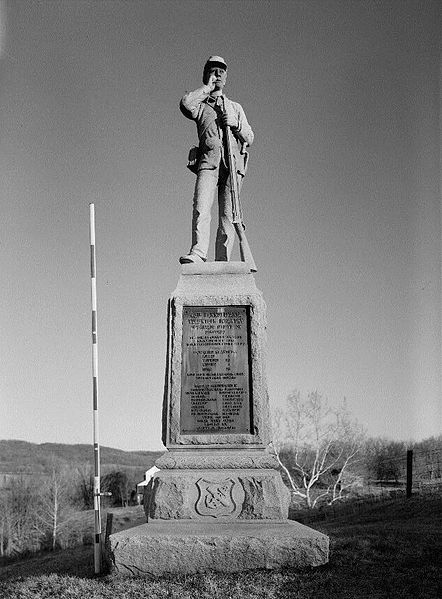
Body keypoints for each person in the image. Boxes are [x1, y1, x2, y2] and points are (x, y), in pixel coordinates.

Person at [179, 56, 254, 264]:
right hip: (208, 161)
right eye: (213, 70)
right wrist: (206, 87)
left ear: (226, 76)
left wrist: (235, 125)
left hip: (232, 165)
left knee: (228, 217)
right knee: (201, 206)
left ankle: (223, 260)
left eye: (221, 71)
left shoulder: (235, 108)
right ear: (207, 74)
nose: (218, 74)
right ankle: (198, 252)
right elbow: (186, 104)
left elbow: (250, 137)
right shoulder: (201, 105)